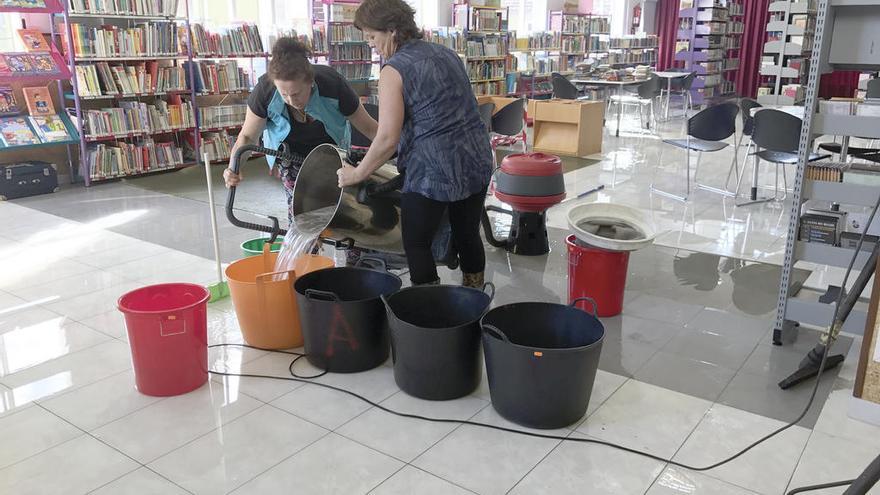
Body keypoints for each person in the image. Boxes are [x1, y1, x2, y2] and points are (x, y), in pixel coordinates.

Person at [338, 0, 493, 288]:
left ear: (392, 31)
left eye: (372, 36)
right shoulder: (446, 53)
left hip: (433, 170)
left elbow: (387, 138)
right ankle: (474, 299)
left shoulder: (392, 71)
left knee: (417, 243)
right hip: (476, 159)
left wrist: (357, 174)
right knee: (467, 234)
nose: (370, 43)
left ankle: (428, 310)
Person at [224, 38, 379, 226]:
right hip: (289, 155)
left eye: (296, 93)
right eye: (284, 94)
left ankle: (349, 251)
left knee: (344, 211)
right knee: (301, 216)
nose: (290, 100)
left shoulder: (333, 85)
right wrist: (234, 167)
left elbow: (370, 128)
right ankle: (308, 252)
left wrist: (397, 151)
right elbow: (247, 137)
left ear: (310, 82)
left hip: (332, 151)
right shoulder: (264, 91)